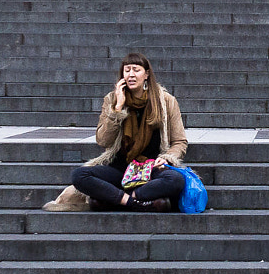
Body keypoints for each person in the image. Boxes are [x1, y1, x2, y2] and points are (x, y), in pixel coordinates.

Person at [41, 53, 189, 212]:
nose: (131, 74)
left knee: (176, 180)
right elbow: (103, 140)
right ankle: (135, 201)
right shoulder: (112, 100)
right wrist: (117, 109)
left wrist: (166, 158)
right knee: (79, 175)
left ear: (146, 74)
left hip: (151, 170)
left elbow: (179, 141)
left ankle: (117, 199)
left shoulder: (166, 101)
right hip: (120, 170)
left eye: (136, 70)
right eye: (127, 70)